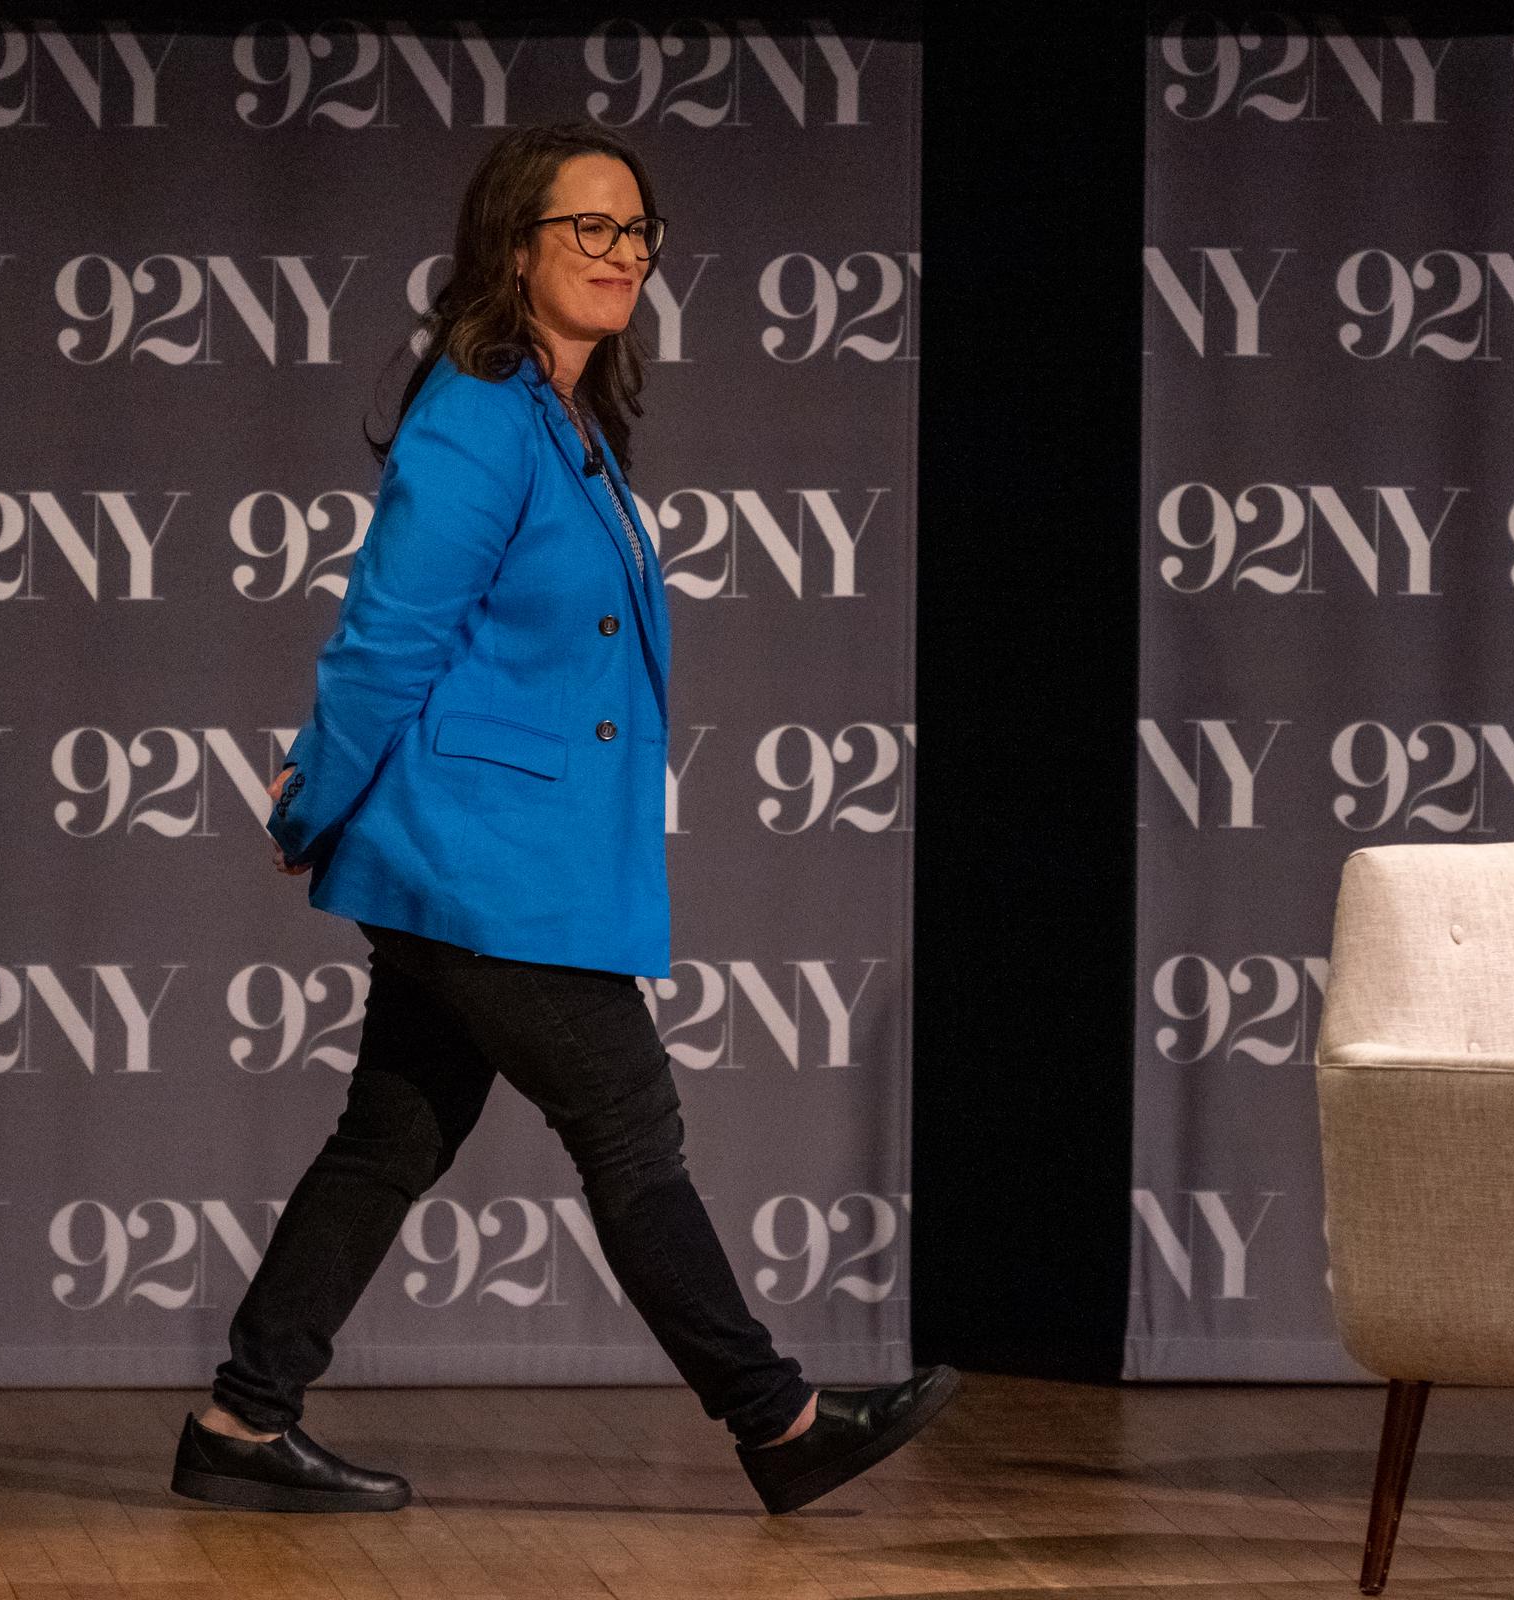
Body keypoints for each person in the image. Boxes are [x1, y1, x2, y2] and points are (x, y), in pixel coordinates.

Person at [169, 122, 953, 1518]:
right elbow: (388, 636)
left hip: (496, 852)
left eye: (636, 230)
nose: (617, 254)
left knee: (392, 1134)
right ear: (512, 247)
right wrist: (317, 795)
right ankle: (779, 1423)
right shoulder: (478, 412)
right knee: (630, 1126)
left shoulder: (565, 418)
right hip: (478, 854)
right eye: (584, 227)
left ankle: (242, 1420)